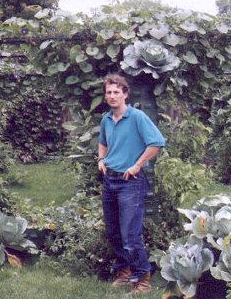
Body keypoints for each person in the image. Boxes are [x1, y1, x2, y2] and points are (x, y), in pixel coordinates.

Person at [97, 74, 165, 295]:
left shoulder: (137, 117)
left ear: (125, 94)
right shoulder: (106, 119)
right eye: (109, 92)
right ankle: (125, 272)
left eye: (117, 92)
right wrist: (101, 160)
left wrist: (137, 165)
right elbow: (102, 142)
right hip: (110, 181)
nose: (112, 96)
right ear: (105, 95)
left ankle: (143, 279)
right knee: (114, 232)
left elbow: (156, 143)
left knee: (130, 235)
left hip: (130, 182)